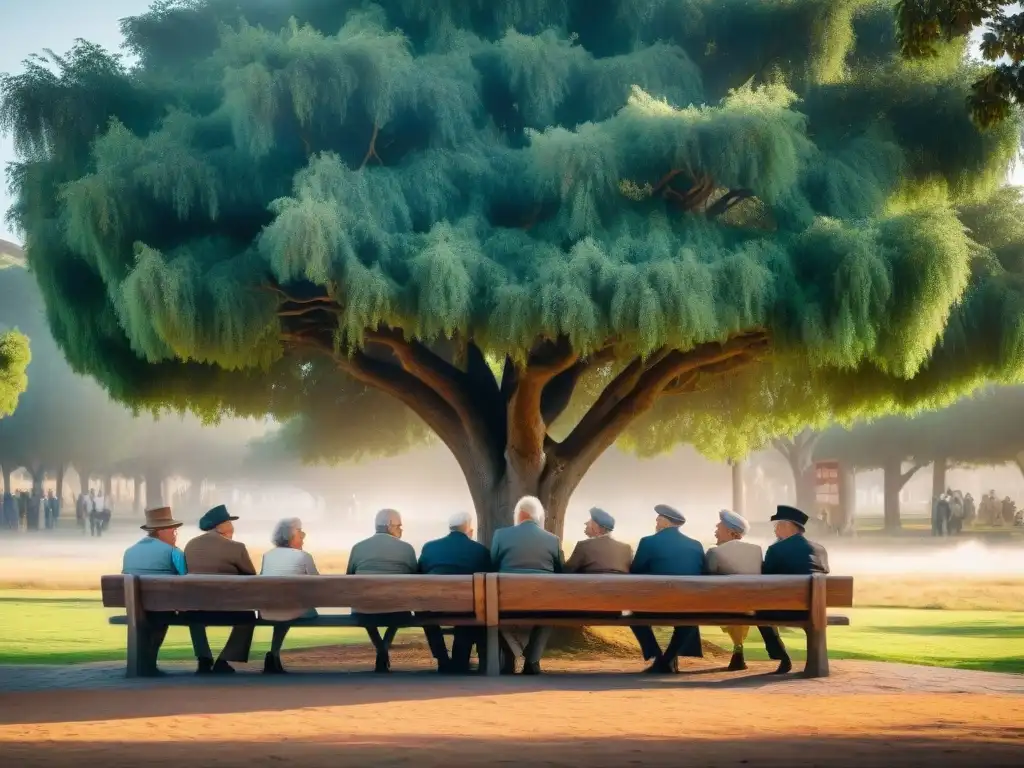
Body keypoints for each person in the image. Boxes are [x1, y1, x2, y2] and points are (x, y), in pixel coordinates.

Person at [121, 506, 201, 675]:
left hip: (135, 607)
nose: (175, 535)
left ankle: (144, 664)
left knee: (148, 618)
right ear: (161, 531)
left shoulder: (129, 551)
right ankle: (149, 664)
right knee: (166, 615)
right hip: (163, 609)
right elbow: (186, 580)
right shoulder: (173, 552)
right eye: (173, 531)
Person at [490, 495, 564, 675]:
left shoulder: (501, 535)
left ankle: (510, 656)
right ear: (536, 516)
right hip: (542, 604)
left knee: (495, 615)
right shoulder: (552, 540)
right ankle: (532, 660)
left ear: (520, 514)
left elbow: (492, 564)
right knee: (547, 617)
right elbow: (560, 570)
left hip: (506, 602)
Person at [630, 504, 706, 674]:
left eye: (658, 519)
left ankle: (658, 657)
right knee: (690, 616)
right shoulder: (696, 545)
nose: (656, 522)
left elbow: (636, 570)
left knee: (632, 615)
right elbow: (703, 573)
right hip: (687, 606)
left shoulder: (648, 542)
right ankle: (669, 658)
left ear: (665, 522)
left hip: (654, 606)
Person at [182, 504, 257, 674]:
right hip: (227, 609)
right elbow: (250, 576)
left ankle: (204, 657)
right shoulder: (236, 547)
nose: (232, 527)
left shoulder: (190, 545)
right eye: (229, 523)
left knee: (193, 616)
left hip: (197, 609)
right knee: (248, 617)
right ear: (220, 526)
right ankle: (225, 659)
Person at [418, 511, 493, 673]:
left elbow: (419, 575)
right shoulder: (480, 551)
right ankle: (460, 658)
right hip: (467, 608)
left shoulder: (430, 548)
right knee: (473, 607)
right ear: (468, 529)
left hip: (434, 608)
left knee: (423, 611)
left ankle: (443, 659)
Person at [761, 504, 831, 674]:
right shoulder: (820, 550)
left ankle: (782, 656)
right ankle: (817, 663)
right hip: (816, 610)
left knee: (759, 612)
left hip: (786, 610)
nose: (775, 530)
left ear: (787, 526)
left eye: (777, 525)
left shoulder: (776, 550)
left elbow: (765, 581)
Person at [347, 508, 418, 672]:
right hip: (398, 611)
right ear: (389, 526)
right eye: (399, 526)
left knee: (366, 605)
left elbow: (349, 578)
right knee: (397, 604)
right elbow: (415, 578)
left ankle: (381, 648)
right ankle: (383, 647)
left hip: (363, 611)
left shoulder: (358, 548)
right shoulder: (407, 549)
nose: (401, 529)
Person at [704, 509, 766, 671]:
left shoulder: (714, 552)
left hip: (724, 607)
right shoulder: (756, 550)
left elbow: (706, 579)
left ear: (732, 533)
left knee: (729, 601)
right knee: (741, 601)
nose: (716, 531)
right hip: (751, 606)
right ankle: (738, 648)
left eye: (719, 529)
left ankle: (738, 648)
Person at [259, 517, 319, 674]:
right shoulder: (303, 556)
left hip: (269, 610)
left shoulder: (268, 555)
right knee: (291, 608)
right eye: (301, 536)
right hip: (295, 610)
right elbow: (319, 583)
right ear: (293, 537)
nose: (303, 541)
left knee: (282, 611)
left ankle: (274, 653)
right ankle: (274, 654)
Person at [564, 507, 633, 574]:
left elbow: (566, 571)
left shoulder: (584, 546)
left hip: (590, 585)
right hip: (620, 586)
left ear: (595, 526)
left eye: (589, 522)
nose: (586, 523)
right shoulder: (626, 549)